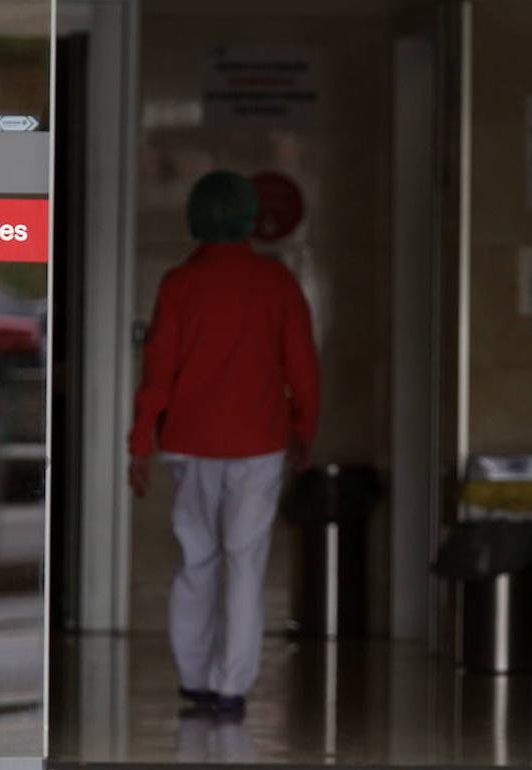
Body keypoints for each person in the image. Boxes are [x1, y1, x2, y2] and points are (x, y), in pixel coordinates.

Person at [128, 170, 320, 719]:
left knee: (198, 561)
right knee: (244, 560)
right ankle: (231, 685)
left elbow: (157, 373)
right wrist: (303, 431)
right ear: (249, 219)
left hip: (190, 444)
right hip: (259, 443)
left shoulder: (179, 284)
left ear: (195, 218)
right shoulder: (276, 284)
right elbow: (303, 369)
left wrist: (141, 442)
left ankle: (193, 679)